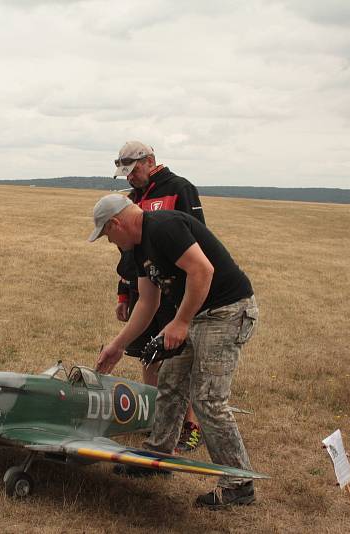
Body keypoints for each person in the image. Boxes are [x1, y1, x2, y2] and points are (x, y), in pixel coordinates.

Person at [89, 194, 260, 509]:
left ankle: (239, 484)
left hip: (226, 311)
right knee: (169, 382)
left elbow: (202, 271)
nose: (109, 240)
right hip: (194, 314)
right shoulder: (138, 249)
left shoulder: (164, 226)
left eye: (107, 234)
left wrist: (181, 321)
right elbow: (147, 302)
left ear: (116, 223)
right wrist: (117, 345)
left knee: (208, 398)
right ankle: (157, 457)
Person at [111, 141, 205, 453]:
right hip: (144, 290)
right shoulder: (132, 199)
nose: (129, 178)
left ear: (150, 161)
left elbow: (196, 239)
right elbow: (129, 254)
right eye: (124, 173)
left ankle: (188, 425)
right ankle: (155, 417)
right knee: (148, 355)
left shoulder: (180, 189)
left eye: (133, 170)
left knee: (176, 358)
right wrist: (124, 293)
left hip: (174, 293)